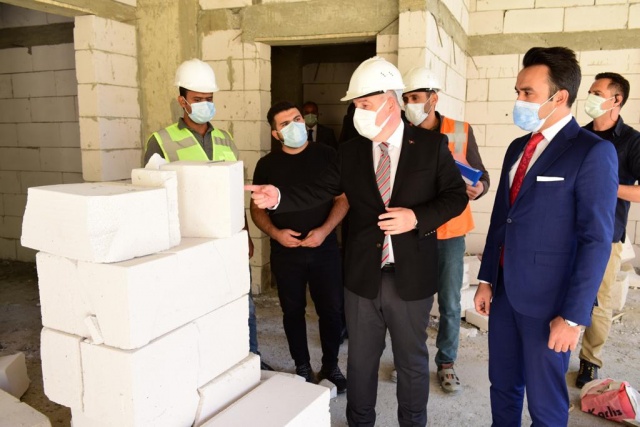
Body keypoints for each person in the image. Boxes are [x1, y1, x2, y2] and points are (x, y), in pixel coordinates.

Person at [247, 56, 468, 427]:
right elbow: (320, 190)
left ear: (390, 103)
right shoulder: (351, 151)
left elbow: (455, 197)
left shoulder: (431, 146)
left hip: (411, 275)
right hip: (363, 276)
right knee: (361, 362)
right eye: (356, 106)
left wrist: (416, 217)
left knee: (411, 362)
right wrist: (279, 197)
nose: (358, 113)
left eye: (364, 105)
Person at [474, 47, 618, 426]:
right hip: (505, 293)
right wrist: (486, 279)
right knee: (502, 387)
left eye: (528, 93)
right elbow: (503, 218)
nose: (519, 100)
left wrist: (572, 317)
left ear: (560, 97)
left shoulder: (592, 152)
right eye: (518, 92)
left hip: (550, 303)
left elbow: (595, 240)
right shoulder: (517, 148)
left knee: (545, 403)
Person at [143, 58, 272, 370]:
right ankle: (210, 367)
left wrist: (245, 233)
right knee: (199, 306)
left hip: (229, 236)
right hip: (189, 241)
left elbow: (236, 190)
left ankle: (251, 358)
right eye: (198, 99)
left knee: (241, 301)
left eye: (209, 99)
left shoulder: (225, 139)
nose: (205, 105)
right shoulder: (160, 141)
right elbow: (153, 199)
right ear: (182, 101)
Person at [398, 67, 490, 393]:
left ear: (433, 99)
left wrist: (480, 188)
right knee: (411, 302)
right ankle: (409, 361)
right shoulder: (401, 133)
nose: (409, 104)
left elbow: (482, 175)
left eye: (415, 97)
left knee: (450, 303)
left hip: (451, 231)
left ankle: (446, 363)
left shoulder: (460, 130)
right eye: (406, 98)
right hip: (414, 231)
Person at [250, 101, 348, 392]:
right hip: (286, 251)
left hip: (324, 248)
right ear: (276, 134)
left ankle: (331, 365)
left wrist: (325, 230)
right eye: (285, 124)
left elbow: (343, 199)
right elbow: (256, 209)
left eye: (297, 119)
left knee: (331, 310)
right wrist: (276, 233)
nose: (295, 125)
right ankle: (302, 365)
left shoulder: (328, 155)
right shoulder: (267, 165)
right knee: (292, 310)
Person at [575, 72, 640, 388]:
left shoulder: (632, 141)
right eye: (590, 91)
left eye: (597, 93)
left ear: (617, 100)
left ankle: (590, 361)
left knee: (599, 301)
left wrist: (608, 187)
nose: (590, 97)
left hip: (606, 235)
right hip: (569, 231)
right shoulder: (578, 136)